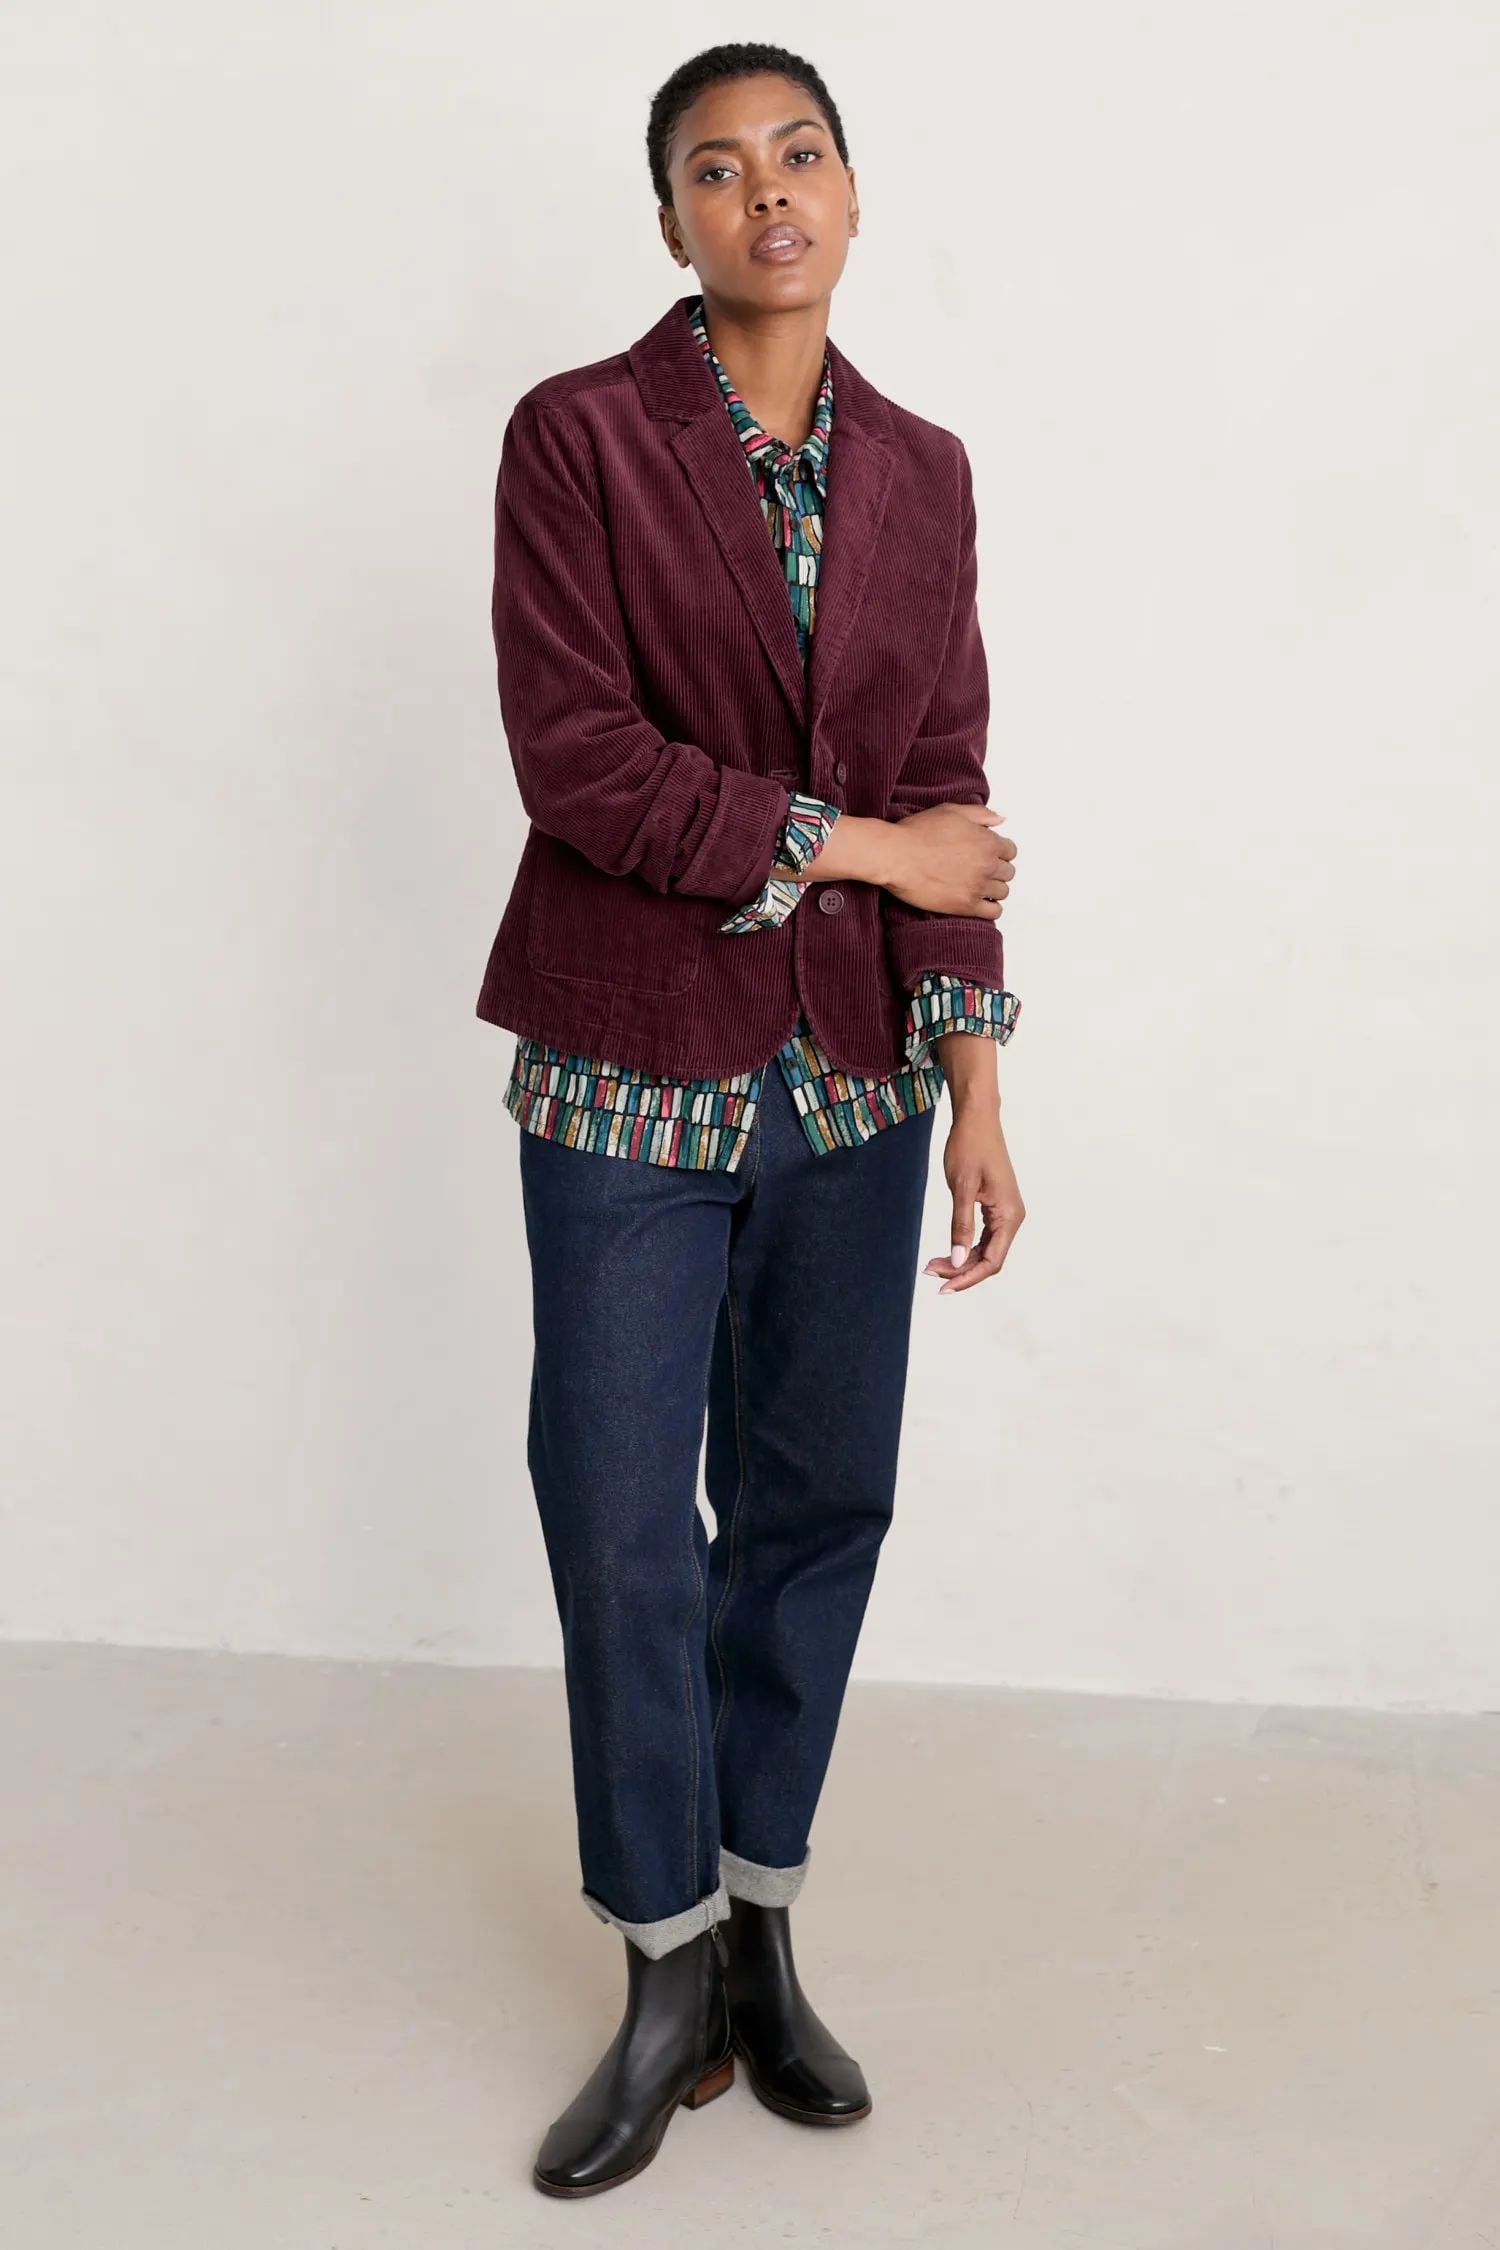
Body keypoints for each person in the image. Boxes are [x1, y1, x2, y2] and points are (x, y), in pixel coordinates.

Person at [474, 40, 1026, 2198]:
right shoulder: (580, 439)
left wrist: (977, 1089)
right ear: (673, 222)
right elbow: (582, 765)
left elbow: (954, 775)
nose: (766, 192)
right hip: (625, 1066)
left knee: (817, 1504)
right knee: (622, 1521)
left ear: (855, 196)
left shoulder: (926, 472)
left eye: (801, 155)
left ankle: (762, 1930)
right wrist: (867, 852)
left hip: (857, 1081)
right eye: (718, 168)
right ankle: (661, 1966)